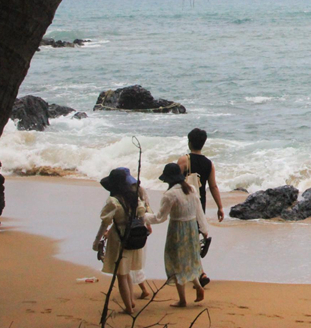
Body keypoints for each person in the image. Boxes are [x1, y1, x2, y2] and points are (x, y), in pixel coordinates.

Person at [145, 163, 210, 307]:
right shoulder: (191, 189)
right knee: (189, 261)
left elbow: (159, 218)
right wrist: (204, 230)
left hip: (177, 231)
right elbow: (199, 211)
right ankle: (198, 286)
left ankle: (182, 300)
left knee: (176, 263)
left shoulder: (170, 195)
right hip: (192, 229)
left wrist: (143, 217)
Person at [93, 168, 148, 315]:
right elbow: (142, 214)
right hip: (133, 236)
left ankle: (129, 307)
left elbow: (105, 223)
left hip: (118, 238)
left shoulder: (113, 201)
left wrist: (96, 242)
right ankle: (131, 301)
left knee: (121, 274)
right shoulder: (134, 197)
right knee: (127, 271)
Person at [177, 128, 224, 287]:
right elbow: (213, 186)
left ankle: (199, 273)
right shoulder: (209, 164)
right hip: (199, 205)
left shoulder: (184, 160)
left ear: (189, 142)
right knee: (193, 237)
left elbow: (174, 182)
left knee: (185, 239)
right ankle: (197, 273)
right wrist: (220, 207)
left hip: (184, 204)